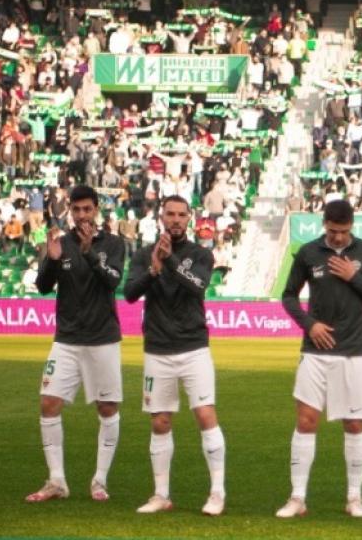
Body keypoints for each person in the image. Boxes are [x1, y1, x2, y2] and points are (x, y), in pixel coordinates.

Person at [278, 199, 362, 518]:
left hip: (353, 352)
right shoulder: (308, 252)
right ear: (323, 224)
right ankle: (297, 497)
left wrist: (354, 277)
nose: (338, 238)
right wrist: (308, 324)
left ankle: (354, 498)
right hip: (314, 352)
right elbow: (288, 295)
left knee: (354, 423)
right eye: (332, 231)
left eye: (343, 231)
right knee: (305, 421)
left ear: (352, 225)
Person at [123, 195, 226, 516]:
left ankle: (217, 492)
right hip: (158, 347)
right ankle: (161, 494)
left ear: (190, 219)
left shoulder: (201, 254)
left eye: (182, 215)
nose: (176, 220)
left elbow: (197, 286)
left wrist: (166, 263)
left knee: (205, 415)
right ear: (161, 217)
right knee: (160, 421)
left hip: (193, 346)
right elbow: (129, 294)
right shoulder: (143, 254)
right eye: (171, 214)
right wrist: (153, 270)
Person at [26, 185, 125, 504]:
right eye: (76, 209)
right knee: (48, 403)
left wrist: (89, 253)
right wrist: (52, 260)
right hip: (67, 340)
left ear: (96, 210)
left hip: (102, 340)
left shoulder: (114, 243)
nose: (82, 215)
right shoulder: (61, 243)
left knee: (107, 408)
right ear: (70, 210)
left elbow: (112, 281)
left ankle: (99, 479)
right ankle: (57, 480)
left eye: (87, 209)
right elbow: (42, 287)